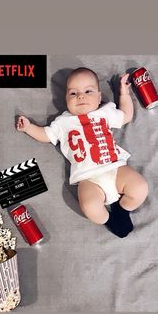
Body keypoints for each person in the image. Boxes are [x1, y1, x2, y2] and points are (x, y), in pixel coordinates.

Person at [16, 67, 148, 237]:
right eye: (73, 93)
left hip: (115, 168)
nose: (80, 96)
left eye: (88, 91)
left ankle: (122, 209)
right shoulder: (62, 122)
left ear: (99, 97)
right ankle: (109, 220)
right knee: (89, 206)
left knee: (140, 187)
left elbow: (126, 115)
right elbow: (45, 135)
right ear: (66, 99)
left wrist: (124, 94)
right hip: (87, 179)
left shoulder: (105, 112)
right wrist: (29, 128)